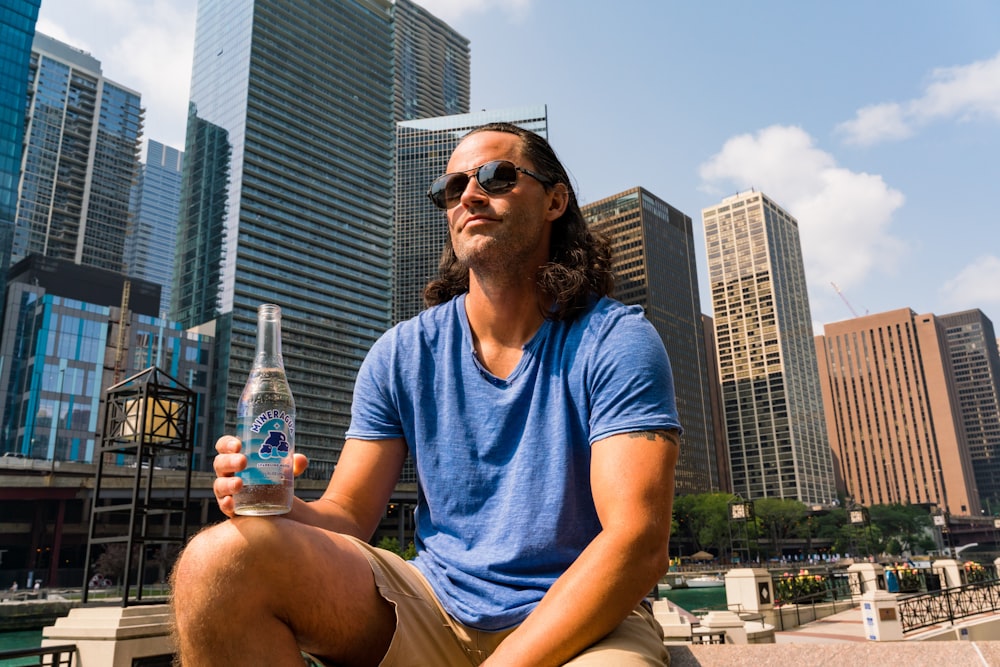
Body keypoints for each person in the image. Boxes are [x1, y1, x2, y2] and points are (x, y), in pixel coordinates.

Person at [171, 122, 681, 666]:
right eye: (453, 187)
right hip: (433, 605)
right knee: (214, 563)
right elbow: (348, 515)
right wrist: (282, 504)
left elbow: (637, 543)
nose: (469, 194)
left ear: (556, 201)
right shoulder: (401, 353)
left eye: (496, 176)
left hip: (585, 621)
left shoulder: (616, 341)